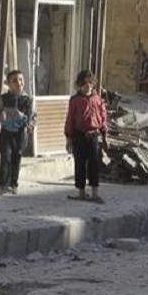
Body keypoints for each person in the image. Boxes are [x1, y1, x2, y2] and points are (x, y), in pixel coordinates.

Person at [64, 70, 108, 204]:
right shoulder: (75, 100)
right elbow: (70, 119)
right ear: (79, 85)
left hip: (93, 135)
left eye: (90, 83)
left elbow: (103, 118)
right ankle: (81, 192)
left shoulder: (98, 100)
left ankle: (95, 193)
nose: (87, 86)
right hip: (79, 136)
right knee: (80, 164)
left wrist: (105, 136)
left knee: (94, 164)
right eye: (84, 84)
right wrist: (69, 138)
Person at [0, 70, 36, 196]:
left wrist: (30, 126)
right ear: (9, 84)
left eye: (21, 80)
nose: (19, 83)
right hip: (6, 132)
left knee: (16, 158)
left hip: (20, 133)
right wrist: (0, 116)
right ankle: (3, 186)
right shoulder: (4, 98)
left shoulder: (27, 100)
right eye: (15, 80)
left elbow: (32, 117)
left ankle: (13, 184)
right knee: (5, 156)